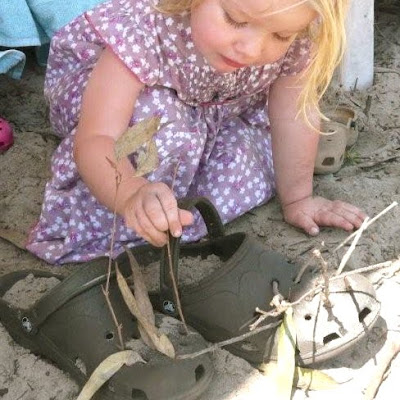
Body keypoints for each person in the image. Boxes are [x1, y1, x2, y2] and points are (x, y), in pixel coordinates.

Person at [27, 0, 366, 264]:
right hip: (120, 114)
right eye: (235, 20)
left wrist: (298, 199)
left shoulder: (295, 33)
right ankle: (146, 205)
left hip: (216, 107)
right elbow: (98, 138)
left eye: (280, 36)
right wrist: (129, 193)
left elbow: (292, 114)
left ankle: (179, 203)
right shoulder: (146, 26)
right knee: (160, 128)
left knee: (249, 153)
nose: (251, 49)